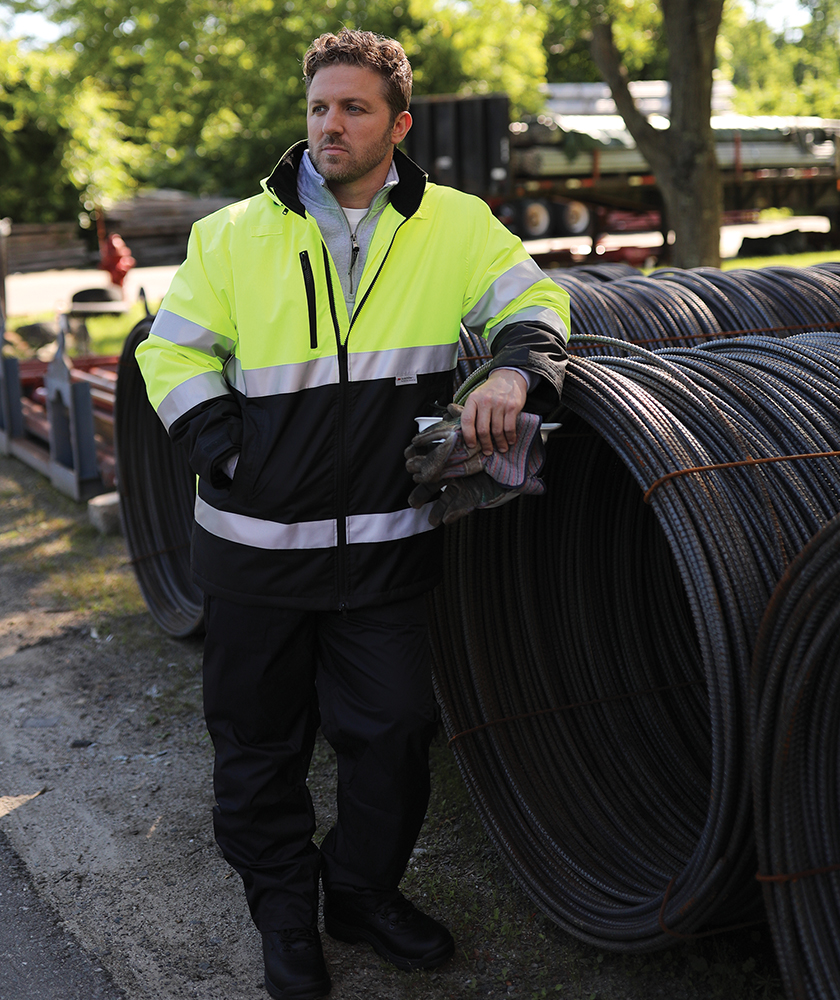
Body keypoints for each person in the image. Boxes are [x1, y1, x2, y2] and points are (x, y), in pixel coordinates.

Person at [136, 27, 570, 1000]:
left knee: (396, 732)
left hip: (385, 549)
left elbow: (534, 295)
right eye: (320, 107)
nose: (332, 123)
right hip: (252, 555)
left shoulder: (456, 224)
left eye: (355, 107)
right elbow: (169, 353)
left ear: (398, 122)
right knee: (260, 745)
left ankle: (360, 894)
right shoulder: (231, 235)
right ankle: (286, 917)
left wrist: (511, 365)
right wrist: (223, 446)